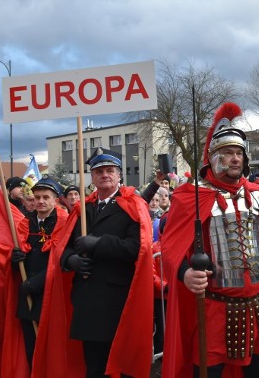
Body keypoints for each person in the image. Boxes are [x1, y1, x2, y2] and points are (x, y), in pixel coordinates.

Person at [161, 102, 259, 378]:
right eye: (228, 153)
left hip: (256, 305)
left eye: (239, 153)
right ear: (213, 157)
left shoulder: (257, 194)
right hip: (213, 309)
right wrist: (185, 274)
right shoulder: (191, 196)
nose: (235, 159)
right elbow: (170, 248)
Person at [60, 149, 154, 378]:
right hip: (87, 297)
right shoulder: (83, 209)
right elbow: (63, 246)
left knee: (121, 366)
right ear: (92, 177)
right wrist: (71, 261)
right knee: (94, 366)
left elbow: (136, 249)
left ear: (119, 175)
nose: (105, 175)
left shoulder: (132, 205)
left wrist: (98, 243)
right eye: (99, 171)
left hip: (118, 300)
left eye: (110, 170)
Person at [10, 176, 67, 367]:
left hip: (51, 293)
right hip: (27, 293)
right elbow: (16, 254)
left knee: (52, 345)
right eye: (37, 197)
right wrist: (15, 259)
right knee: (31, 345)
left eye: (46, 197)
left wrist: (36, 283)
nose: (40, 201)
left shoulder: (64, 222)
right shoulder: (25, 223)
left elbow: (62, 259)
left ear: (55, 200)